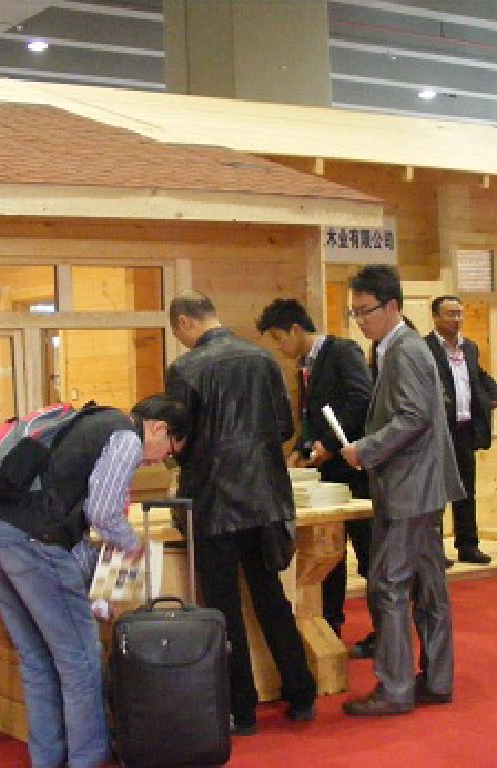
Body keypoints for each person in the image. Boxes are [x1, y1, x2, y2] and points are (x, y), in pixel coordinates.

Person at [0, 394, 187, 768]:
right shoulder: (125, 437)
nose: (159, 461)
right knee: (81, 661)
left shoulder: (89, 421)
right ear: (158, 428)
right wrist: (132, 546)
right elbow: (103, 514)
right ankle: (87, 759)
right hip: (34, 542)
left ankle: (48, 758)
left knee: (36, 659)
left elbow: (71, 517)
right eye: (168, 451)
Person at [166, 291, 316, 736]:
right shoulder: (263, 359)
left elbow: (180, 441)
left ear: (184, 322)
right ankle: (301, 694)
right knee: (272, 599)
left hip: (212, 503)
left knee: (224, 609)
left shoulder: (185, 369)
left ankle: (243, 709)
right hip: (265, 499)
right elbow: (284, 427)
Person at [339, 265, 463, 717]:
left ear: (392, 306)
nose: (360, 321)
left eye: (365, 311)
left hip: (410, 485)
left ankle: (394, 687)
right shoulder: (399, 347)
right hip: (422, 483)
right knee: (428, 586)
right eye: (354, 313)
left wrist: (366, 449)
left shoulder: (403, 350)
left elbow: (413, 416)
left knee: (388, 585)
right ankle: (436, 678)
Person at [254, 298, 376, 654]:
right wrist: (302, 448)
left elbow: (361, 400)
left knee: (370, 555)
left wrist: (329, 444)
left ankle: (385, 632)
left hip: (356, 472)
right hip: (329, 476)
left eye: (279, 338)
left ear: (296, 329)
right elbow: (313, 417)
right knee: (329, 557)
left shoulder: (342, 352)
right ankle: (330, 626)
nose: (279, 348)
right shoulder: (306, 365)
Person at [425, 295, 497, 565]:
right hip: (438, 431)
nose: (456, 319)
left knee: (466, 490)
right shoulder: (425, 348)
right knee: (436, 493)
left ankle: (468, 544)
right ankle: (434, 549)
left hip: (464, 429)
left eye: (459, 313)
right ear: (436, 317)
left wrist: (495, 394)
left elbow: (477, 376)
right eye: (450, 314)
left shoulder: (469, 347)